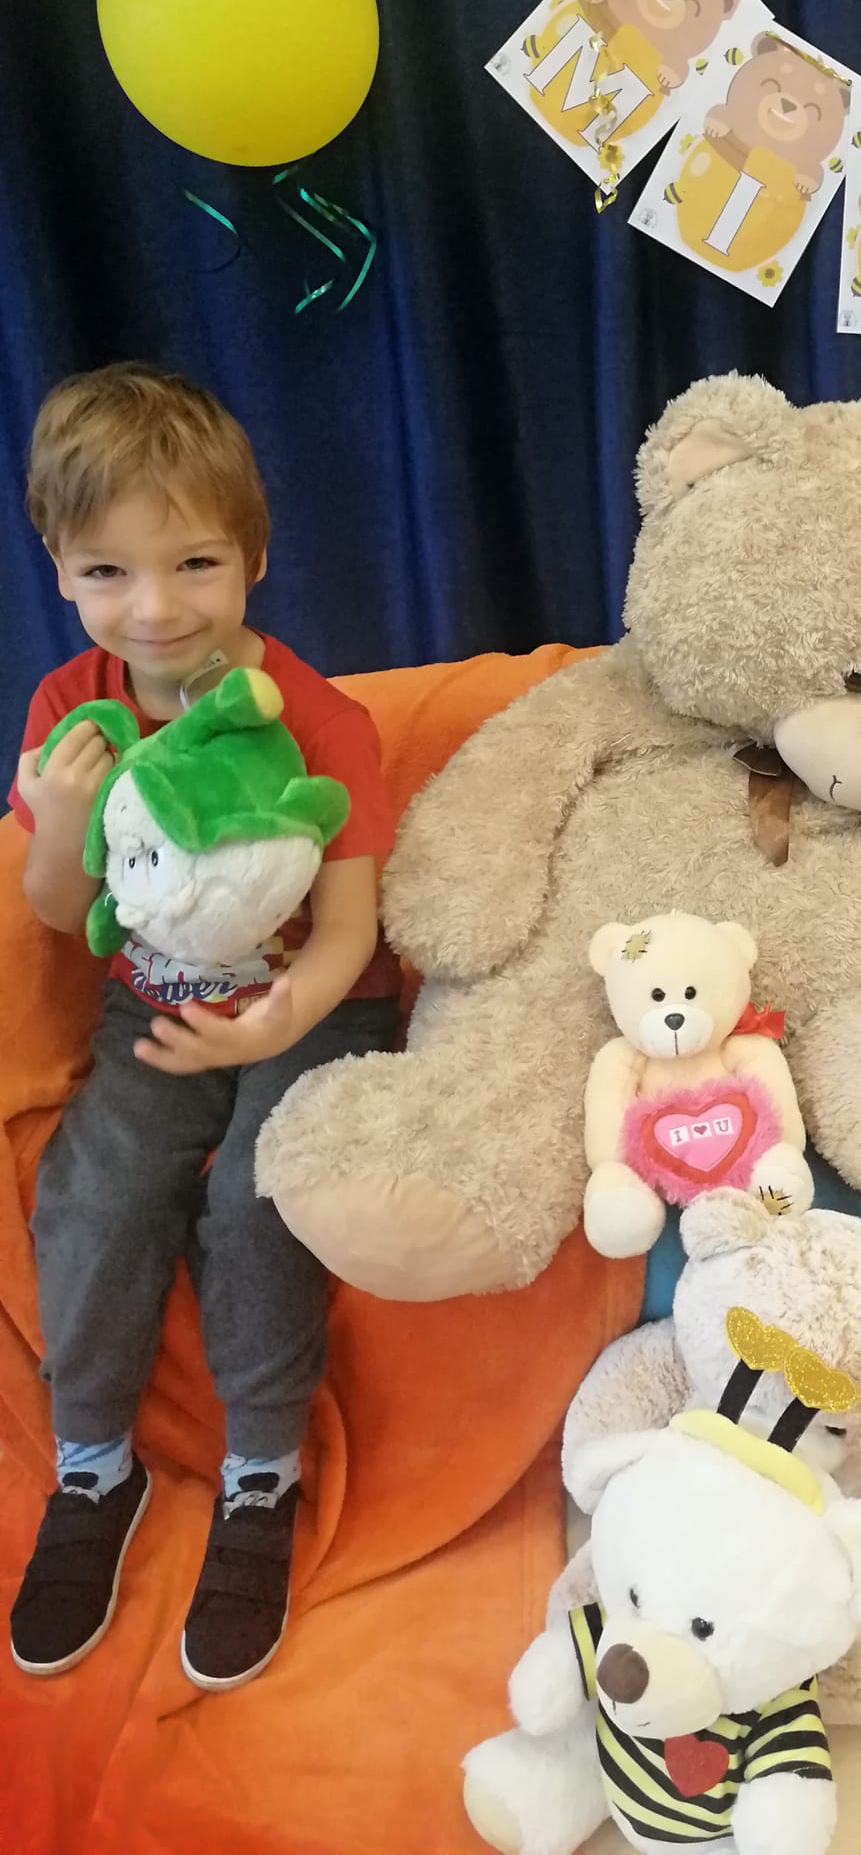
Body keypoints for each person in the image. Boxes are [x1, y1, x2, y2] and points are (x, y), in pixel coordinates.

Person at [8, 363, 400, 1690]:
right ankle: (92, 1463)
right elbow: (59, 914)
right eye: (107, 572)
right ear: (60, 571)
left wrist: (277, 1019)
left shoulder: (320, 720)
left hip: (315, 1008)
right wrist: (62, 824)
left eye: (193, 564)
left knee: (255, 1194)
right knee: (99, 1183)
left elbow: (347, 929)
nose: (157, 608)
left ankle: (261, 1473)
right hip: (157, 1008)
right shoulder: (68, 711)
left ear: (254, 558)